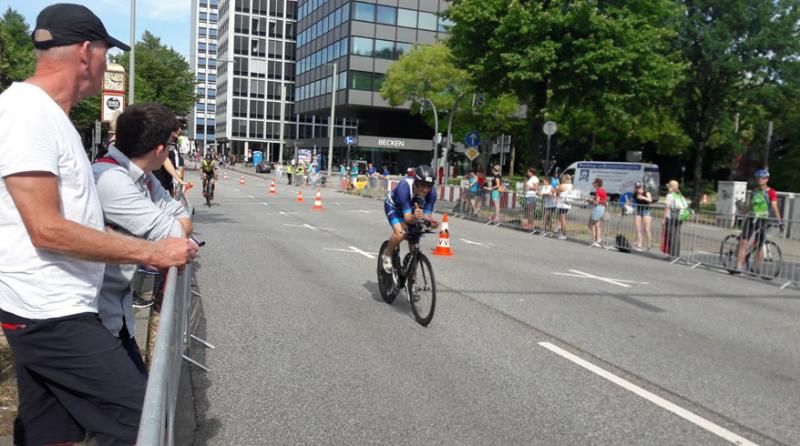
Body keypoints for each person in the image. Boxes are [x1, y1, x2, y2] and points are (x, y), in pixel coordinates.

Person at [0, 4, 197, 445]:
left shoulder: (49, 115)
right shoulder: (26, 114)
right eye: (108, 53)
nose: (109, 64)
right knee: (144, 423)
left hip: (54, 307)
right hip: (51, 313)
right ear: (87, 52)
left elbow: (67, 221)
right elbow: (46, 229)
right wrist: (151, 251)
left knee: (49, 431)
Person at [92, 102, 193, 373]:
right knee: (135, 397)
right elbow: (174, 231)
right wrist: (172, 232)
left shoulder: (142, 176)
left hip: (117, 312)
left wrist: (175, 228)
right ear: (160, 150)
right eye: (171, 144)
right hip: (93, 319)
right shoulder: (110, 179)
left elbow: (180, 215)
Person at [381, 165, 440, 273]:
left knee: (414, 238)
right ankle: (387, 254)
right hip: (394, 207)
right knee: (401, 233)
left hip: (411, 209)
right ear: (416, 182)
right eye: (423, 185)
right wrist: (415, 217)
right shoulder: (404, 186)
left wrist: (432, 223)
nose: (426, 190)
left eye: (429, 186)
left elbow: (427, 216)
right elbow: (408, 218)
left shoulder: (432, 193)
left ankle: (411, 275)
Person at [735, 169, 783, 273]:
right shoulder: (754, 191)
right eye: (758, 178)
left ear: (767, 179)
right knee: (743, 242)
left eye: (763, 178)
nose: (760, 180)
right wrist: (742, 210)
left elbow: (775, 207)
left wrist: (780, 222)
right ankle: (739, 266)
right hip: (751, 219)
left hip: (763, 220)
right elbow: (749, 206)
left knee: (760, 245)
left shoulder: (771, 192)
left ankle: (755, 267)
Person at [662, 180, 687, 259]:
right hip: (680, 217)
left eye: (668, 187)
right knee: (676, 236)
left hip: (671, 217)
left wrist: (663, 219)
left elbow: (667, 208)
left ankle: (671, 255)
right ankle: (676, 255)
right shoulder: (680, 195)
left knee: (671, 236)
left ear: (670, 187)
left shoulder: (670, 195)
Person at [632, 181, 653, 251]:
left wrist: (643, 197)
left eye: (639, 187)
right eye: (636, 188)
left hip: (646, 211)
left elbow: (650, 200)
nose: (638, 189)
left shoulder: (646, 193)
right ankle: (639, 244)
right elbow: (631, 201)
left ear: (642, 187)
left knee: (646, 229)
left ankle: (649, 243)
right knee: (638, 228)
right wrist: (627, 205)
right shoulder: (635, 194)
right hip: (638, 211)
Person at [589, 177, 607, 247]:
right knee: (597, 225)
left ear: (597, 184)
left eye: (594, 183)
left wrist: (590, 200)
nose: (593, 184)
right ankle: (598, 239)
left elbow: (597, 202)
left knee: (592, 224)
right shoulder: (602, 190)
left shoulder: (598, 191)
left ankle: (594, 240)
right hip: (602, 208)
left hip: (598, 208)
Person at [555, 174, 574, 239]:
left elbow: (557, 192)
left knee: (562, 219)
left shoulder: (562, 185)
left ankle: (564, 234)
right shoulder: (571, 186)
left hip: (562, 204)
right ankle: (561, 230)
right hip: (568, 203)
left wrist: (557, 188)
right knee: (562, 218)